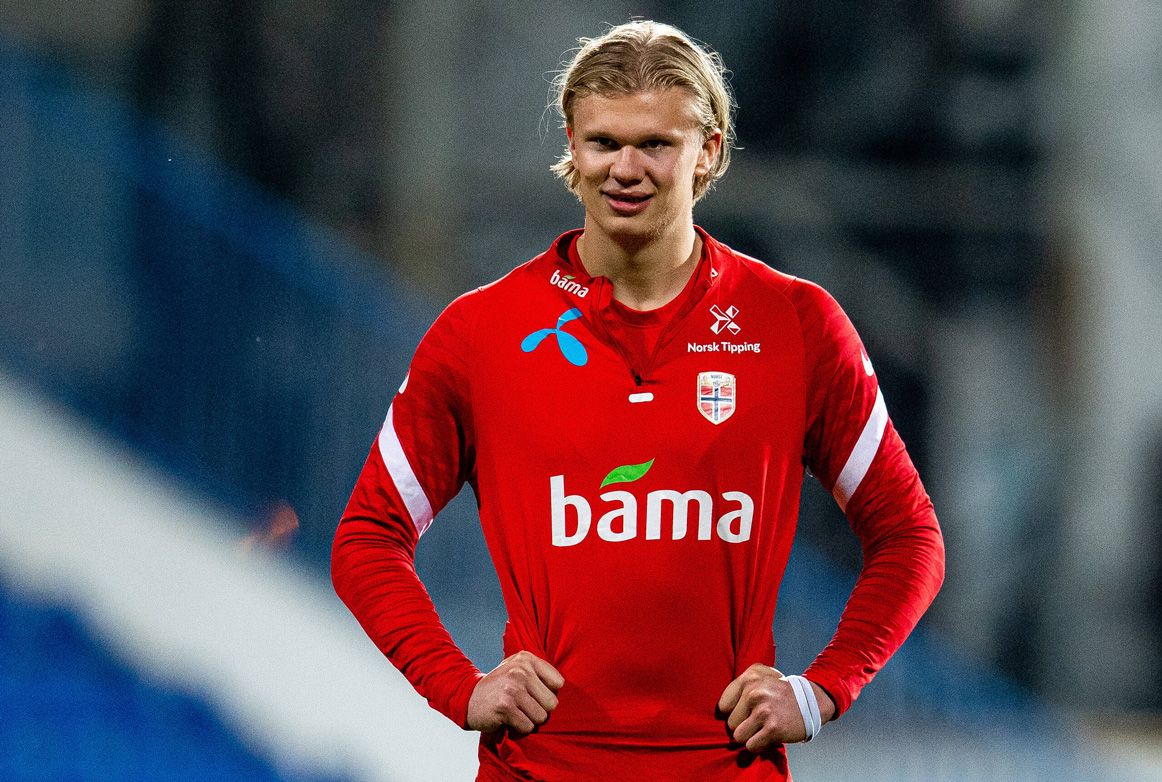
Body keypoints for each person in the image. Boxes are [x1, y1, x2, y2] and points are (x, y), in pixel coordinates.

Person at [332, 20, 944, 781]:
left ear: (709, 151)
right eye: (602, 143)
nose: (625, 168)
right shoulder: (482, 333)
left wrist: (822, 692)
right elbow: (368, 538)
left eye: (655, 143)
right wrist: (456, 686)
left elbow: (910, 536)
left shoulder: (794, 325)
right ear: (572, 145)